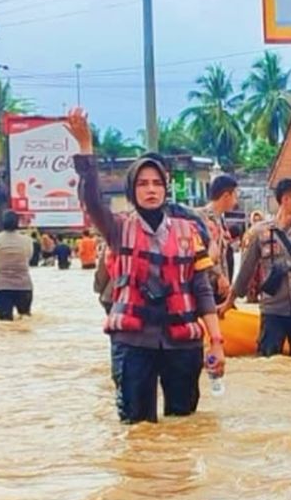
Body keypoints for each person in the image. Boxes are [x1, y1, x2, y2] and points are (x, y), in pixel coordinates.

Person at [67, 107, 227, 425]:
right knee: (137, 429)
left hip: (182, 342)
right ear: (132, 191)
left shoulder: (188, 232)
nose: (151, 189)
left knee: (183, 427)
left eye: (157, 183)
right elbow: (92, 201)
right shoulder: (117, 229)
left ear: (166, 189)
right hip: (133, 343)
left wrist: (217, 342)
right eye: (142, 184)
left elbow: (201, 289)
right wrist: (86, 150)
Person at [221, 178, 291, 358]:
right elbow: (245, 271)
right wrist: (229, 302)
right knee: (267, 360)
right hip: (273, 310)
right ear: (286, 200)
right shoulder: (259, 232)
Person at [198, 174, 240, 303]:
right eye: (235, 195)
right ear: (226, 196)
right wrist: (219, 275)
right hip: (206, 284)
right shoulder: (202, 218)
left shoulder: (220, 219)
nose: (236, 200)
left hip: (219, 286)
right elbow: (202, 252)